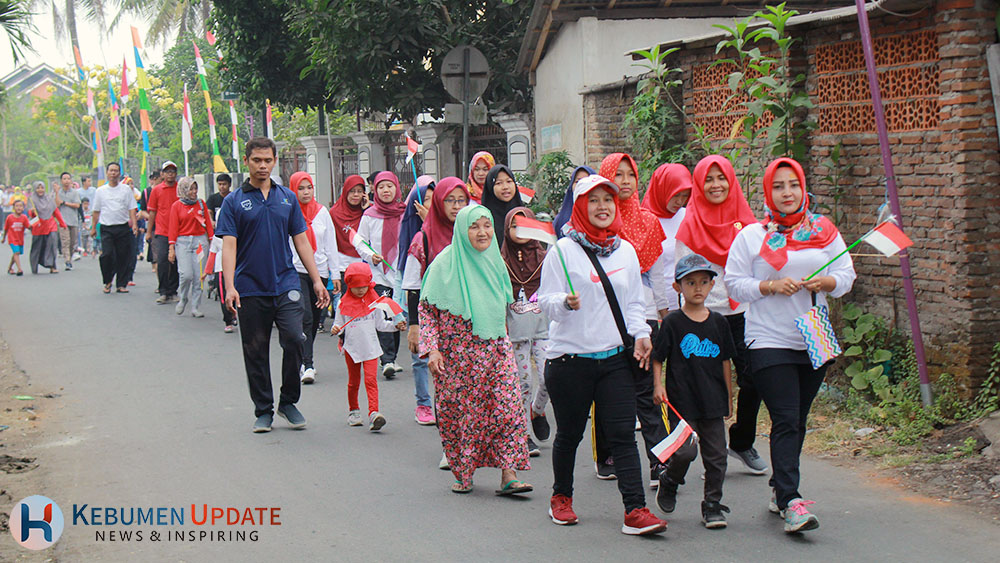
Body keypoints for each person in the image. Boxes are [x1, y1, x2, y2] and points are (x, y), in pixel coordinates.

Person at [725, 157, 856, 533]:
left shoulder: (823, 229)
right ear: (768, 191)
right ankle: (791, 502)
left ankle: (779, 487)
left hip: (813, 336)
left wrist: (827, 283)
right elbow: (734, 284)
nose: (787, 193)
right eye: (779, 186)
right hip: (767, 339)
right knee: (784, 417)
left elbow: (846, 273)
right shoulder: (753, 235)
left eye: (793, 185)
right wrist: (769, 286)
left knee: (797, 420)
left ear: (803, 188)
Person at [538, 174, 666, 535]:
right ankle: (561, 498)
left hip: (614, 360)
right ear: (580, 207)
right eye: (593, 201)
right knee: (570, 434)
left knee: (623, 434)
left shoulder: (625, 250)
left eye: (607, 200)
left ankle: (635, 510)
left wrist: (641, 334)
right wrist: (564, 301)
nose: (602, 207)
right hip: (569, 361)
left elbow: (634, 304)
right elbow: (544, 301)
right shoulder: (563, 251)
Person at [215, 137, 330, 433]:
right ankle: (263, 409)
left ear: (274, 161)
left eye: (267, 160)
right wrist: (229, 286)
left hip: (286, 281)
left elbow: (301, 240)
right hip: (250, 286)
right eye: (257, 160)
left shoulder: (287, 198)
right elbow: (229, 247)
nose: (262, 166)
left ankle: (288, 402)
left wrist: (317, 279)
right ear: (247, 161)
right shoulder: (233, 201)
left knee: (294, 337)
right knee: (255, 349)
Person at [419, 204, 532, 496]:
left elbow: (509, 305)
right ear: (461, 230)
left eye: (486, 225)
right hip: (457, 359)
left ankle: (509, 474)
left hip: (496, 349)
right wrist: (432, 350)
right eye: (474, 226)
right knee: (462, 416)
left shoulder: (495, 261)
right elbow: (428, 312)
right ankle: (463, 472)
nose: (482, 232)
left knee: (507, 408)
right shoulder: (444, 265)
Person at [676, 155, 766, 476]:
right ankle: (695, 450)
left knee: (753, 378)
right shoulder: (690, 224)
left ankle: (741, 441)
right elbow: (683, 275)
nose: (716, 186)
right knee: (703, 386)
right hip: (705, 316)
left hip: (744, 313)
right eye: (709, 180)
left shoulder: (750, 225)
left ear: (732, 181)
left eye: (721, 178)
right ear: (699, 185)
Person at [594, 153, 670, 486]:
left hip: (644, 315)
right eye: (618, 175)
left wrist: (665, 314)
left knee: (646, 391)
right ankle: (607, 452)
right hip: (606, 317)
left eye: (631, 175)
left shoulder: (649, 222)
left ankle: (659, 459)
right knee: (610, 388)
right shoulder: (595, 222)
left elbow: (657, 275)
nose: (625, 181)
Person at [652, 253, 736, 529]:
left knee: (717, 456)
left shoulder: (719, 323)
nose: (697, 288)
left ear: (713, 285)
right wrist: (658, 385)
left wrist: (729, 396)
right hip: (682, 401)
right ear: (677, 287)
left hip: (712, 400)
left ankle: (712, 505)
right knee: (686, 453)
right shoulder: (673, 323)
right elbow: (658, 358)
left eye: (703, 282)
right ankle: (670, 480)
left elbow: (725, 361)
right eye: (690, 283)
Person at [404, 179, 469, 438]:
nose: (455, 206)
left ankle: (467, 442)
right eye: (449, 200)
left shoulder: (474, 233)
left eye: (461, 200)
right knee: (446, 386)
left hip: (469, 322)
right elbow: (412, 285)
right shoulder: (424, 238)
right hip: (436, 322)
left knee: (468, 386)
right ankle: (450, 443)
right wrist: (414, 326)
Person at [500, 207, 551, 457]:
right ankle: (522, 433)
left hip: (542, 329)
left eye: (524, 224)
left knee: (548, 377)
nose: (519, 231)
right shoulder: (500, 262)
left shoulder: (545, 258)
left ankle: (537, 410)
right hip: (515, 332)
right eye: (513, 225)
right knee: (522, 382)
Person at [332, 262, 405, 431]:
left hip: (371, 348)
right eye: (356, 287)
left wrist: (396, 326)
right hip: (352, 348)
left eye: (364, 286)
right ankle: (354, 411)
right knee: (354, 382)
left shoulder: (374, 303)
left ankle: (374, 413)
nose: (361, 290)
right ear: (349, 285)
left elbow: (381, 325)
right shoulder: (343, 304)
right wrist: (336, 329)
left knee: (371, 380)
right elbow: (338, 325)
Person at [288, 171, 340, 383]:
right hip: (296, 270)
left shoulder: (322, 212)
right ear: (293, 190)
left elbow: (330, 244)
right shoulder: (289, 212)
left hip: (320, 271)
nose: (305, 192)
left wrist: (334, 273)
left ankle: (303, 356)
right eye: (300, 188)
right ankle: (307, 364)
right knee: (306, 316)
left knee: (316, 318)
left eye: (309, 187)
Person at [355, 171, 406, 379]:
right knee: (383, 312)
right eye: (381, 187)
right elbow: (359, 241)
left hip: (401, 273)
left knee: (397, 314)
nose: (386, 191)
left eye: (390, 186)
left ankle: (391, 356)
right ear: (374, 190)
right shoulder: (369, 215)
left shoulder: (405, 214)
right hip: (378, 275)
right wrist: (370, 255)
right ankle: (387, 360)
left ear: (397, 188)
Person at [398, 175, 436, 425]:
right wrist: (413, 323)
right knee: (420, 357)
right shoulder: (415, 234)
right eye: (427, 201)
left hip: (445, 305)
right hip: (420, 301)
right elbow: (411, 282)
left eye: (436, 200)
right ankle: (423, 403)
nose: (432, 206)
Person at [642, 163, 693, 311]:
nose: (680, 201)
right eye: (675, 195)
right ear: (661, 190)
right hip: (653, 307)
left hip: (686, 304)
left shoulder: (688, 217)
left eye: (685, 196)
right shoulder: (644, 221)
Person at [167, 177, 213, 315]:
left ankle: (195, 306)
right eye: (190, 189)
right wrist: (171, 247)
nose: (194, 192)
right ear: (184, 190)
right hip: (183, 241)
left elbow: (208, 224)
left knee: (199, 275)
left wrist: (212, 241)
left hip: (199, 242)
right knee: (186, 274)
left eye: (195, 188)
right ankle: (183, 298)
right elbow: (173, 228)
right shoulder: (177, 206)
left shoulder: (200, 203)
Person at [91, 162, 138, 293]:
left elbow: (132, 209)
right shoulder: (101, 191)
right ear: (107, 173)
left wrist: (134, 224)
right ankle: (107, 281)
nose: (113, 173)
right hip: (106, 227)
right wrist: (93, 228)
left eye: (116, 171)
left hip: (122, 227)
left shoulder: (126, 190)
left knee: (123, 256)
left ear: (119, 173)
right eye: (111, 171)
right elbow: (96, 211)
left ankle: (121, 284)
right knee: (107, 255)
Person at [147, 161, 181, 303]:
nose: (170, 174)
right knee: (162, 260)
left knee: (175, 262)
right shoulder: (157, 190)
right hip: (161, 230)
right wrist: (149, 232)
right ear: (162, 174)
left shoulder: (180, 189)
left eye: (172, 171)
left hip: (179, 231)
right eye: (167, 172)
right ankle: (163, 290)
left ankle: (173, 290)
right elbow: (153, 212)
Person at [331, 174, 367, 285]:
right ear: (345, 191)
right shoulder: (334, 213)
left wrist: (366, 211)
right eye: (352, 191)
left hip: (364, 264)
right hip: (342, 265)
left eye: (359, 191)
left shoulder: (369, 212)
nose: (356, 195)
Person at [27, 181, 66, 274]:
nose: (40, 190)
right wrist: (32, 211)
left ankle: (52, 266)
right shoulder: (32, 199)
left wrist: (62, 223)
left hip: (50, 225)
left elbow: (55, 211)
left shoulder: (49, 199)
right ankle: (34, 265)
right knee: (37, 247)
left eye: (42, 188)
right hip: (39, 227)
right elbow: (31, 215)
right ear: (35, 189)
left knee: (52, 245)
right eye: (38, 188)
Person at [480, 164, 521, 242]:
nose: (505, 187)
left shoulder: (523, 214)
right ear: (490, 187)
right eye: (499, 183)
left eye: (509, 181)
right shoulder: (484, 218)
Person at [552, 165, 595, 238]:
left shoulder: (601, 216)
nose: (581, 185)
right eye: (577, 181)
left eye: (586, 180)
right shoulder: (561, 219)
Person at [55, 172, 82, 270]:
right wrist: (57, 192)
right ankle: (67, 261)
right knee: (65, 241)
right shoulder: (59, 192)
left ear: (71, 180)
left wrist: (65, 203)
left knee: (72, 242)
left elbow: (77, 205)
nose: (66, 181)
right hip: (62, 221)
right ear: (61, 181)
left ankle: (69, 258)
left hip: (73, 220)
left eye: (68, 179)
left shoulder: (74, 192)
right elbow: (57, 204)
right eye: (64, 179)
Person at [3, 199, 29, 275]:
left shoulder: (24, 217)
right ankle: (19, 269)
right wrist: (4, 238)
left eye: (21, 206)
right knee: (16, 252)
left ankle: (10, 268)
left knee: (16, 253)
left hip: (20, 239)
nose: (19, 208)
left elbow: (28, 226)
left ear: (23, 208)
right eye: (17, 206)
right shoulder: (9, 217)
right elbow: (6, 229)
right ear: (13, 208)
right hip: (12, 239)